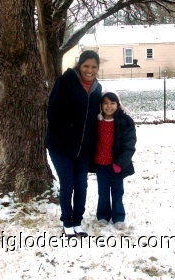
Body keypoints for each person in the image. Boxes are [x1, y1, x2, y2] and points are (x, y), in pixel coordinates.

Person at [45, 50, 102, 237]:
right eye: (86, 66)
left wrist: (121, 112)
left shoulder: (97, 88)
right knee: (67, 183)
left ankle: (77, 221)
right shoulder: (66, 81)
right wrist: (67, 131)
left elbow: (100, 113)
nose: (90, 70)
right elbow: (52, 111)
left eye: (94, 67)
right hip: (61, 145)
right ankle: (67, 222)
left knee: (81, 185)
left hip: (83, 148)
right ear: (80, 65)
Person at [92, 90, 137, 230]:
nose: (109, 106)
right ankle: (103, 215)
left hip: (116, 165)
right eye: (105, 103)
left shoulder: (124, 122)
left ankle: (118, 216)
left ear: (118, 104)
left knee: (117, 191)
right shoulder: (96, 121)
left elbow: (129, 145)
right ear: (100, 105)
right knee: (103, 191)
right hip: (101, 164)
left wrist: (120, 163)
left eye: (112, 103)